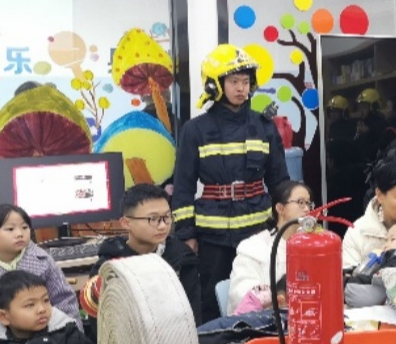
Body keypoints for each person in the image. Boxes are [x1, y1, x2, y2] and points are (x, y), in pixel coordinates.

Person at [172, 44, 290, 323]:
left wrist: (287, 223)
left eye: (245, 82)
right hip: (213, 236)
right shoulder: (195, 130)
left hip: (258, 230)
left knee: (264, 296)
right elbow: (183, 186)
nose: (241, 88)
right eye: (234, 81)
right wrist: (187, 234)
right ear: (215, 85)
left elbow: (280, 181)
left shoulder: (264, 126)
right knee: (212, 300)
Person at [0, 204, 81, 340]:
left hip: (46, 335)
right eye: (10, 229)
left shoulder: (43, 260)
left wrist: (73, 337)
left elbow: (64, 299)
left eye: (24, 227)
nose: (19, 234)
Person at [84, 184, 201, 324]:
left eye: (167, 217)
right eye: (153, 219)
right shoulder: (109, 267)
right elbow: (101, 324)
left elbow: (193, 317)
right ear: (126, 223)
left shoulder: (181, 258)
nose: (163, 225)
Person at [226, 180, 314, 316]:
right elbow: (240, 296)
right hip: (262, 323)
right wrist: (276, 295)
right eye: (300, 202)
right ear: (280, 208)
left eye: (309, 204)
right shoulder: (253, 247)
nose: (307, 209)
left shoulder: (312, 247)